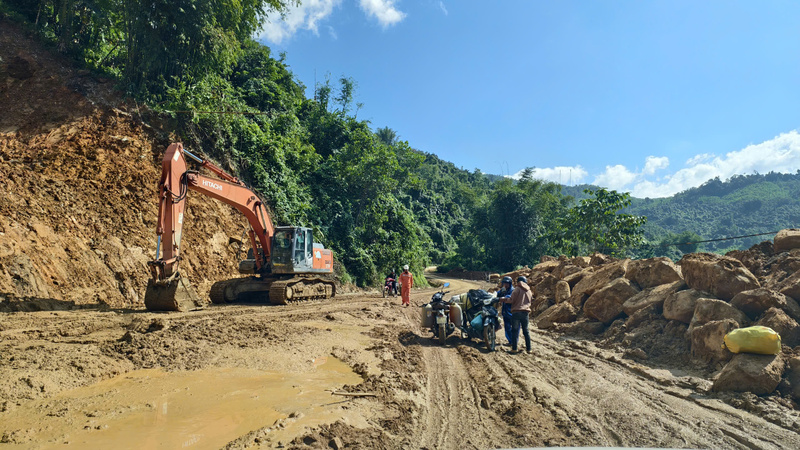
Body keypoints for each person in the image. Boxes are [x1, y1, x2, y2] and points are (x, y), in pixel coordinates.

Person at [502, 276, 532, 354]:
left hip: (516, 313)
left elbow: (511, 300)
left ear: (518, 282)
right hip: (526, 313)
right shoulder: (529, 291)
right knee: (526, 331)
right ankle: (529, 349)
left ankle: (514, 348)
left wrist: (504, 300)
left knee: (514, 331)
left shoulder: (517, 289)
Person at [497, 276, 517, 346]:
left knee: (514, 328)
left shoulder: (513, 290)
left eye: (507, 283)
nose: (505, 284)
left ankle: (514, 342)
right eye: (504, 283)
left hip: (512, 312)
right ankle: (510, 341)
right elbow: (498, 294)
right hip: (505, 312)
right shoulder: (504, 290)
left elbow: (511, 297)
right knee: (507, 328)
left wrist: (504, 298)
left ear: (510, 283)